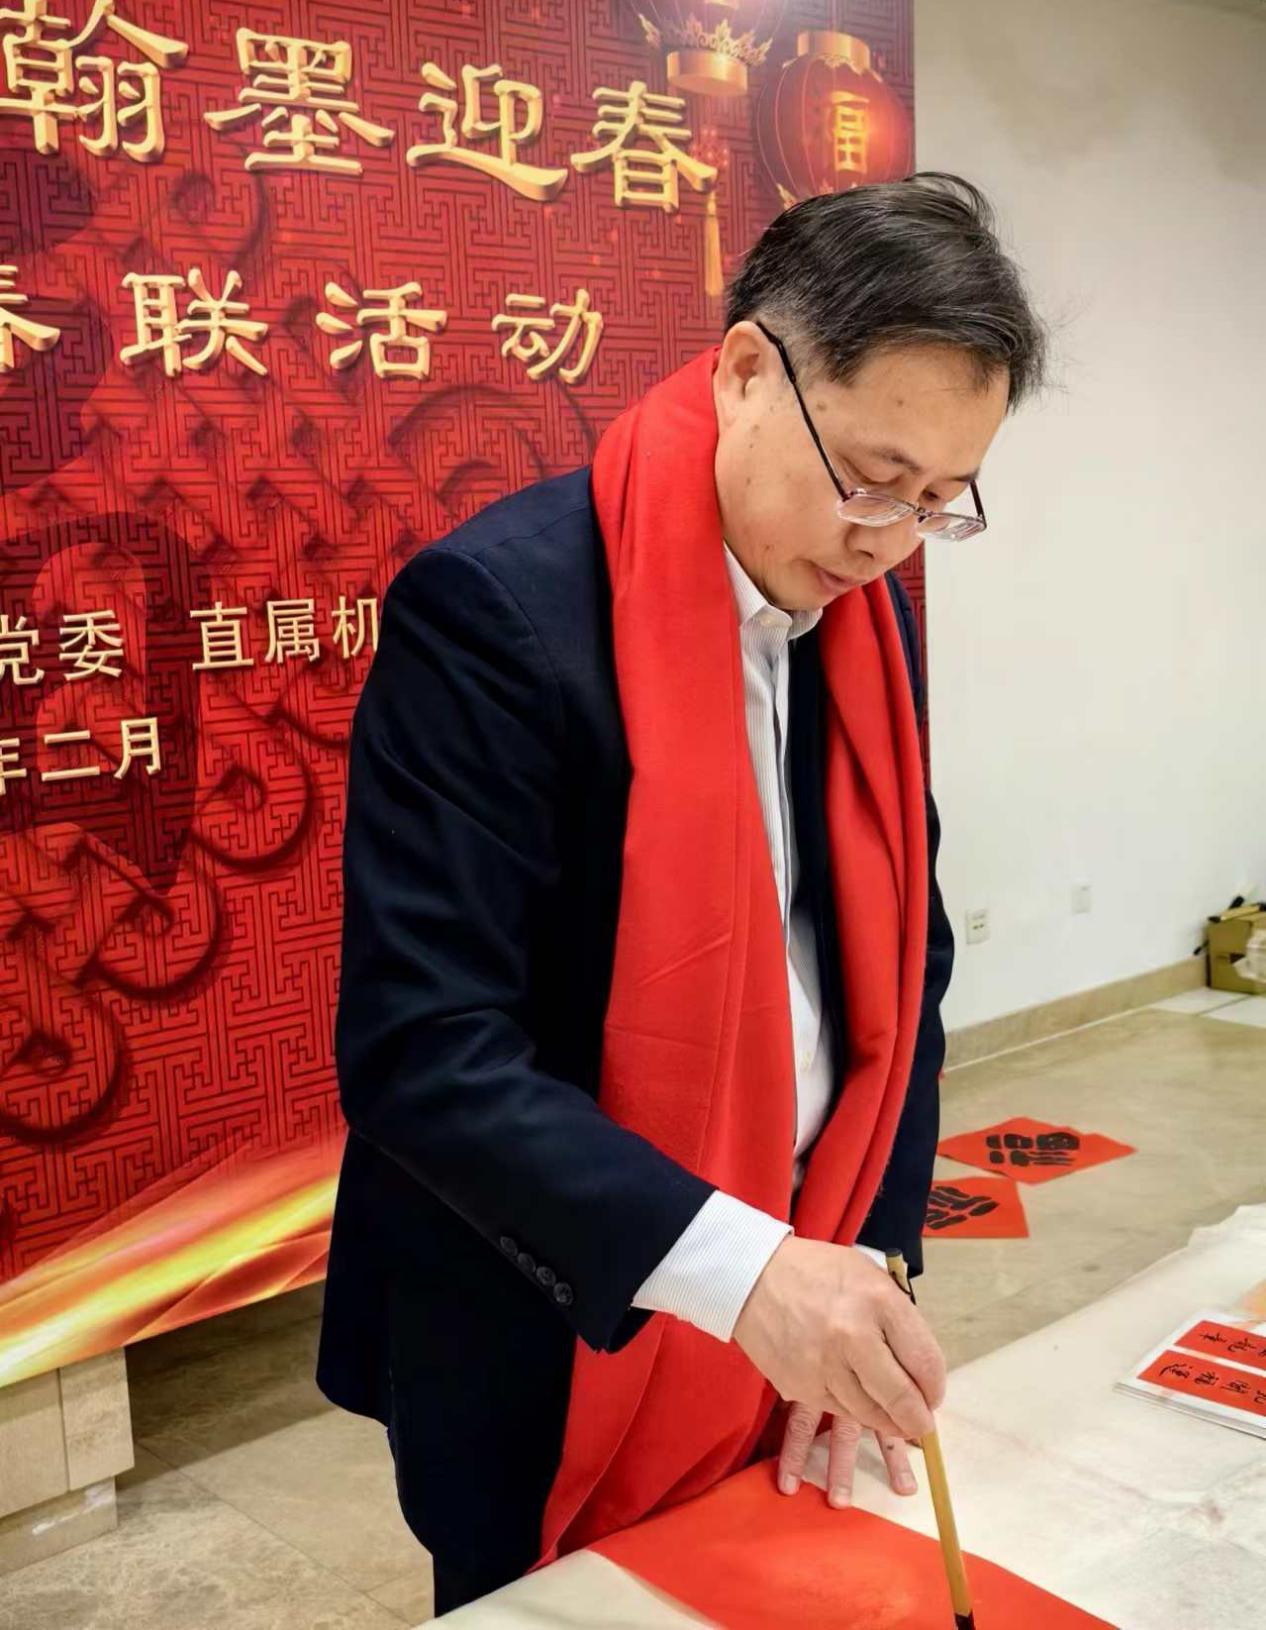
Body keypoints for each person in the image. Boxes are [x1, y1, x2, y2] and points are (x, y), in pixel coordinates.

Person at [317, 172, 1048, 1615]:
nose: (887, 537)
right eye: (870, 477)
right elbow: (424, 1050)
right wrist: (746, 1272)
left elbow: (906, 966)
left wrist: (864, 1257)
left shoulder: (867, 617)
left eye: (938, 502)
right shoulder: (495, 614)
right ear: (744, 374)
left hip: (801, 1263)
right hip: (550, 1318)